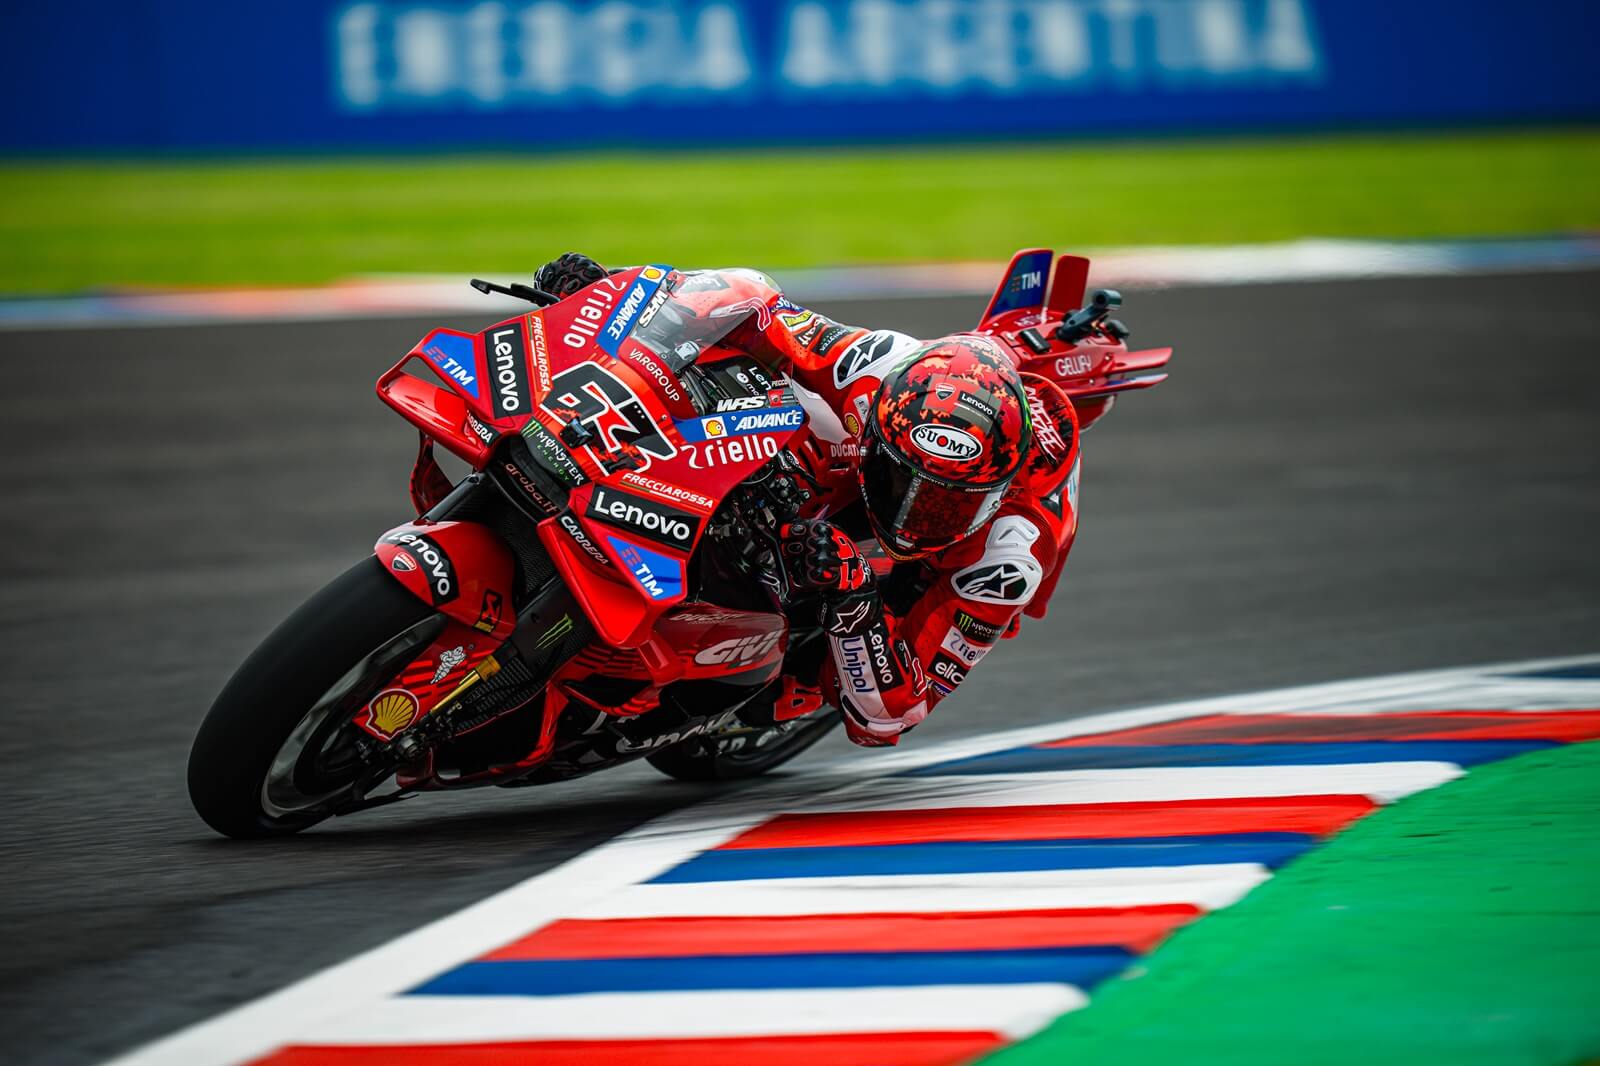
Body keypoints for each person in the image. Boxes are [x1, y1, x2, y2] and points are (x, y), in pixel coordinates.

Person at [534, 253, 1082, 748]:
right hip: (837, 456)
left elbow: (892, 716)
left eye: (945, 504)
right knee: (730, 370)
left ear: (996, 493)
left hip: (883, 593)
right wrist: (608, 296)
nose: (914, 515)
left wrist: (854, 600)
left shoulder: (1009, 557)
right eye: (901, 483)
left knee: (793, 682)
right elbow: (752, 307)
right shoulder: (873, 368)